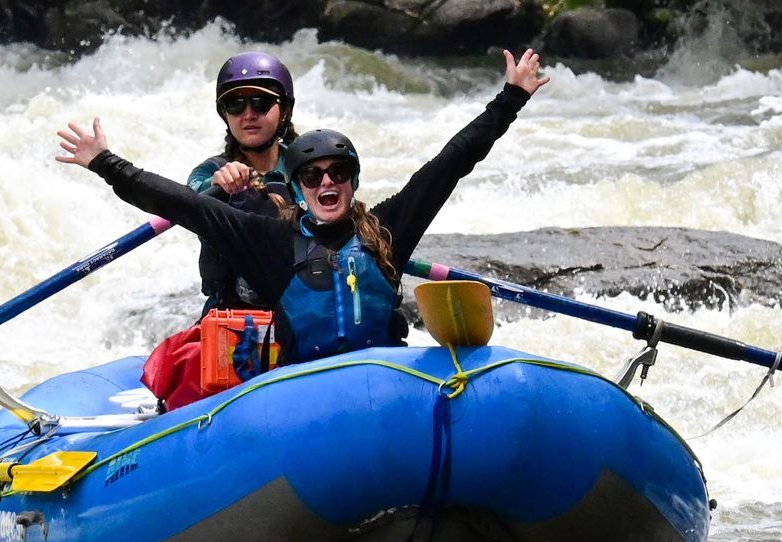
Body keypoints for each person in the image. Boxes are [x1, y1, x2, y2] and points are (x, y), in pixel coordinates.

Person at [56, 49, 550, 367]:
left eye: (338, 174)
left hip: (384, 379)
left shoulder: (387, 229)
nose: (326, 182)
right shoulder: (269, 239)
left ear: (354, 182)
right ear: (299, 184)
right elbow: (180, 203)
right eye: (312, 177)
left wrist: (510, 98)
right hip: (296, 390)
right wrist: (105, 162)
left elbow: (449, 164)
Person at [188, 51, 296, 312]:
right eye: (235, 104)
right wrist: (217, 188)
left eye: (260, 102)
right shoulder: (208, 173)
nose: (248, 114)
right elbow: (190, 204)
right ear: (225, 114)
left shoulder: (313, 169)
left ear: (284, 110)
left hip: (303, 310)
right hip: (231, 315)